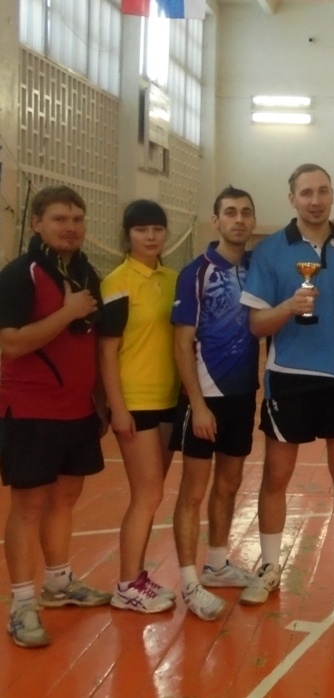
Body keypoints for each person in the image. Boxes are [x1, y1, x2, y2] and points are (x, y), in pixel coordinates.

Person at [238, 164, 334, 606]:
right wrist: (288, 306)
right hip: (289, 377)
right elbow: (256, 325)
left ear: (332, 194)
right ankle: (268, 565)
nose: (315, 200)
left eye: (322, 191)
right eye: (306, 193)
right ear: (292, 199)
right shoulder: (269, 251)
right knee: (276, 476)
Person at [0, 186, 111, 648]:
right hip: (30, 408)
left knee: (65, 499)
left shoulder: (86, 273)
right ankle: (22, 603)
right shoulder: (18, 274)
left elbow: (93, 342)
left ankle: (59, 582)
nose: (70, 227)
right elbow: (10, 344)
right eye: (60, 219)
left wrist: (100, 400)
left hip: (77, 409)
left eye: (77, 219)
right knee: (29, 506)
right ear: (36, 223)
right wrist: (67, 312)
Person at [169, 187, 260, 621]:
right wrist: (198, 403)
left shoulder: (258, 268)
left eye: (246, 212)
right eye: (230, 212)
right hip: (205, 397)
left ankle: (218, 564)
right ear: (216, 220)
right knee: (193, 491)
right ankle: (189, 582)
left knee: (229, 484)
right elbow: (182, 342)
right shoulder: (196, 272)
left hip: (243, 396)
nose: (239, 219)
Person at [99, 200, 180, 613]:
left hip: (169, 399)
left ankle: (138, 577)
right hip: (135, 401)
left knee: (152, 493)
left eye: (157, 229)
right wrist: (117, 408)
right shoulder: (117, 282)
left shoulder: (173, 279)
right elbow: (106, 351)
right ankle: (127, 584)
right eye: (141, 229)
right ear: (127, 235)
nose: (150, 236)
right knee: (146, 495)